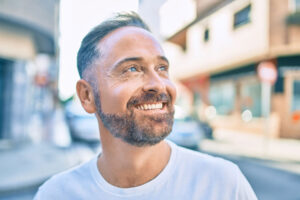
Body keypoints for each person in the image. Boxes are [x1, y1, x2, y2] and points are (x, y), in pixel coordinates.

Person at [34, 12, 257, 200]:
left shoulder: (223, 185)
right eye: (132, 69)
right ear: (87, 96)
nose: (158, 84)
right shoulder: (56, 194)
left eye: (161, 68)